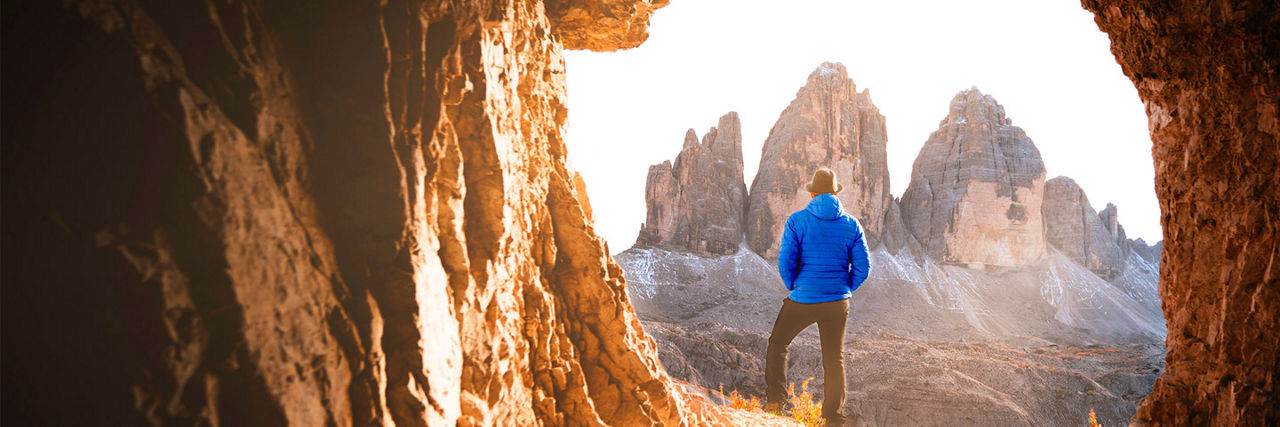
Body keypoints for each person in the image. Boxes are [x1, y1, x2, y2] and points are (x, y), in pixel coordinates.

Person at [763, 167, 870, 427]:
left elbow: (786, 258)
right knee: (834, 358)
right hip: (836, 303)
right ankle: (833, 417)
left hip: (803, 298)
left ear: (812, 192)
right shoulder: (851, 224)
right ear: (835, 193)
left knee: (778, 344)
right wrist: (844, 288)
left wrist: (794, 285)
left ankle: (776, 401)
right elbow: (863, 267)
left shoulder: (797, 220)